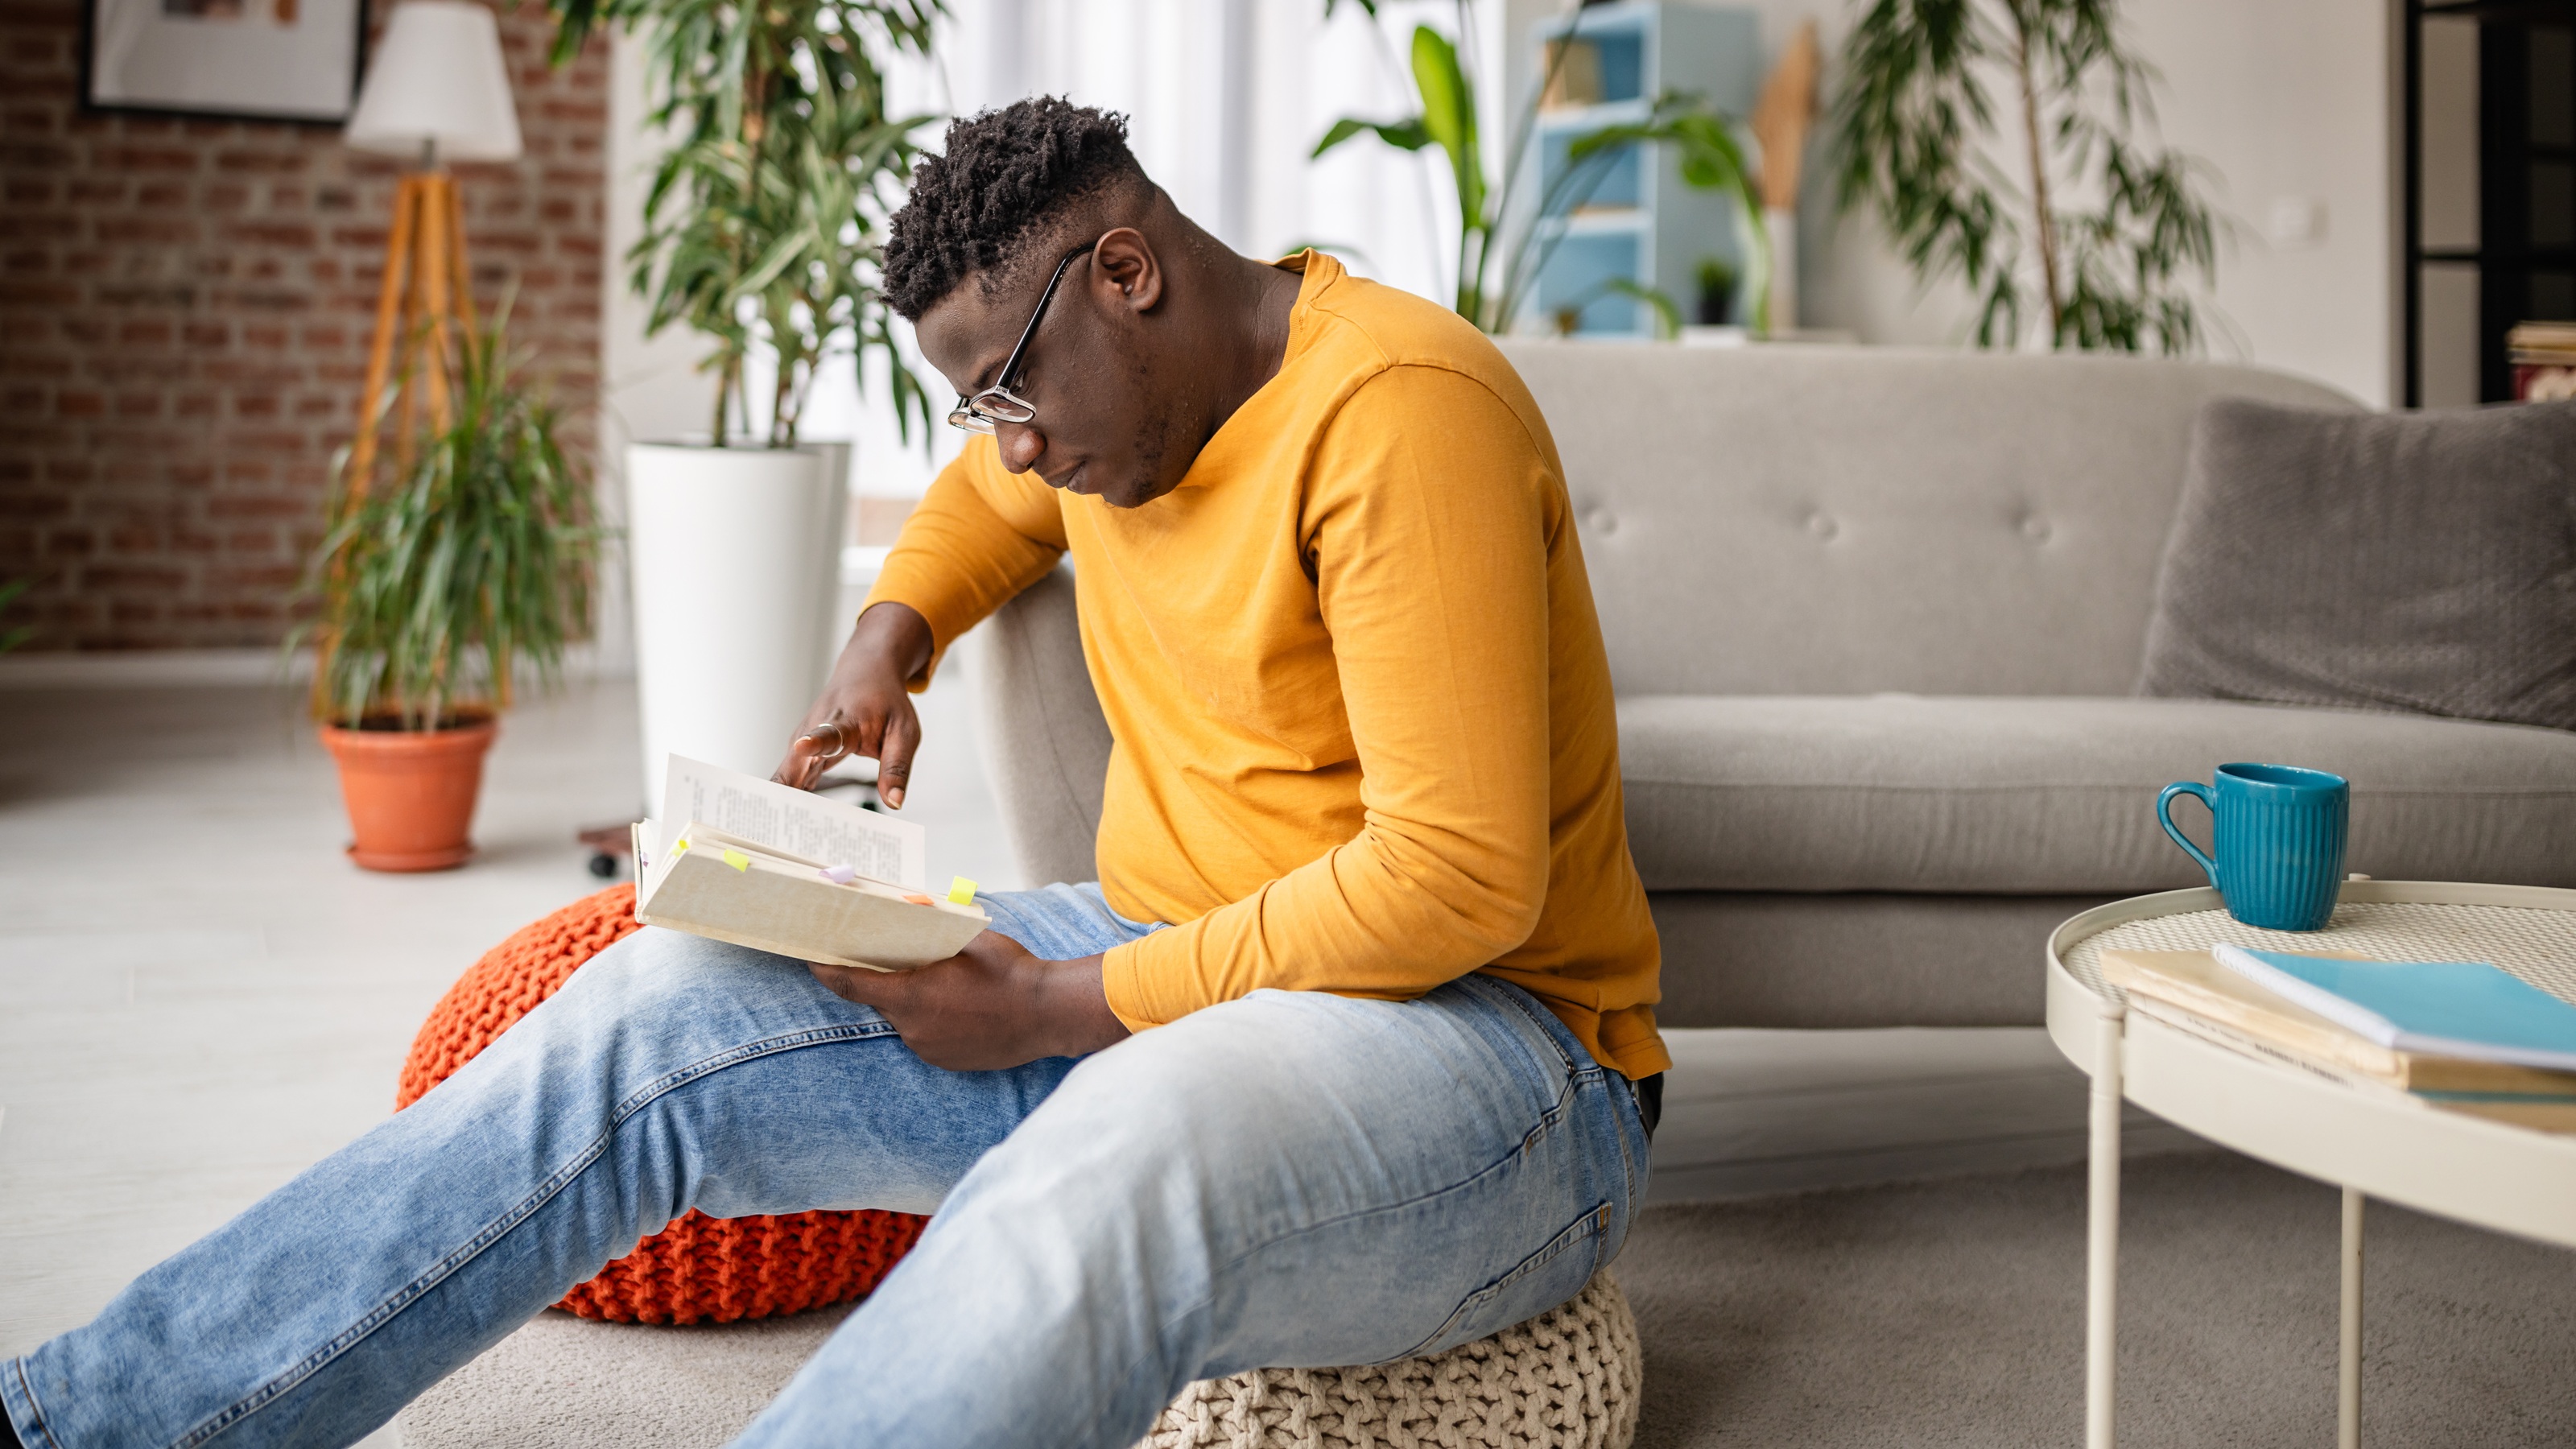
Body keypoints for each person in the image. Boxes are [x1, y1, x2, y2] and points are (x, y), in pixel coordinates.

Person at [0, 97, 1663, 1449]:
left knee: (1108, 1163)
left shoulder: (1397, 415)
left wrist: (1063, 1008)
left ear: (1129, 272)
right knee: (651, 1008)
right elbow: (980, 508)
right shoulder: (1121, 410)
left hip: (1496, 1053)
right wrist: (889, 637)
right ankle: (86, 1421)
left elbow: (1456, 881)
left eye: (1007, 388)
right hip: (1171, 953)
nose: (1006, 440)